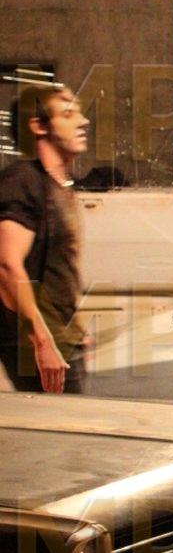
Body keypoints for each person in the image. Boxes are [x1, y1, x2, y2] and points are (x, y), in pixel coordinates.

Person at [0, 84, 90, 394]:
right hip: (37, 347)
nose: (83, 121)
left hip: (62, 338)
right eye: (68, 114)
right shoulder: (23, 181)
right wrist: (42, 341)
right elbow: (7, 265)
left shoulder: (59, 185)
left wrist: (74, 328)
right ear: (38, 126)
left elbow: (56, 270)